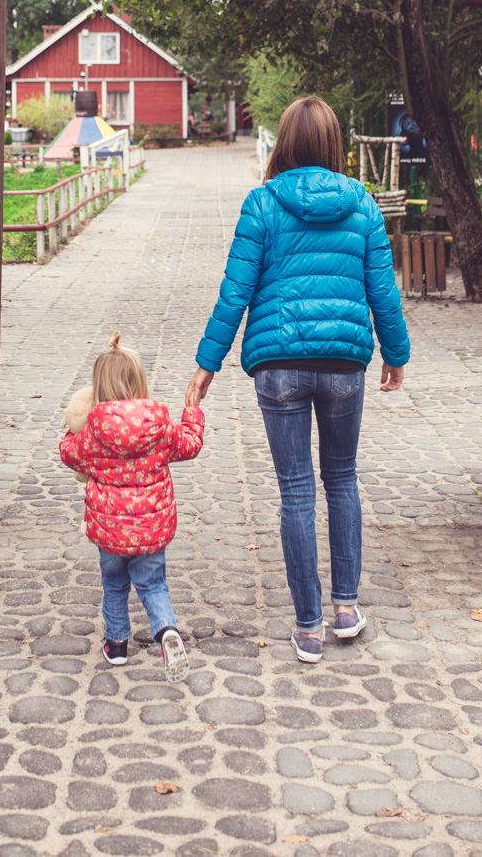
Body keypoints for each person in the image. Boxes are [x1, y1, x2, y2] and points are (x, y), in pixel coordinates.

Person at [185, 97, 409, 663]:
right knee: (342, 480)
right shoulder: (362, 203)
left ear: (284, 141)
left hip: (278, 364)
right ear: (333, 143)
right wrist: (395, 352)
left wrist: (208, 363)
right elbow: (383, 288)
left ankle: (308, 628)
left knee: (296, 490)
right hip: (344, 365)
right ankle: (346, 609)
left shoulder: (262, 204)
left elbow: (235, 291)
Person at [60, 331, 204, 682]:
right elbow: (190, 444)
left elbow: (70, 455)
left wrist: (70, 431)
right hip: (151, 530)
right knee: (153, 584)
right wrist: (192, 412)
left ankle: (117, 645)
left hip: (110, 532)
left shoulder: (94, 429)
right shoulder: (159, 425)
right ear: (140, 382)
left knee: (114, 585)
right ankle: (167, 630)